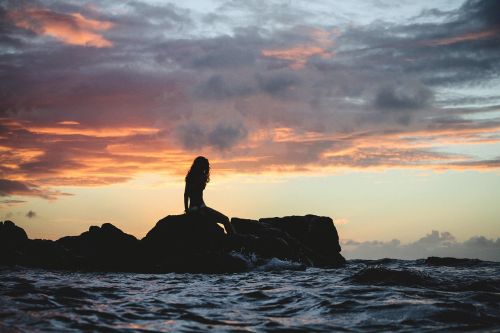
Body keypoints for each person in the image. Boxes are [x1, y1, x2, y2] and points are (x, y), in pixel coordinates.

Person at [184, 156, 235, 235]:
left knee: (223, 221)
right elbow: (187, 194)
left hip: (193, 208)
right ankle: (234, 240)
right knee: (225, 219)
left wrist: (187, 209)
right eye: (205, 166)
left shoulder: (190, 177)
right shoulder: (201, 177)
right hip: (200, 208)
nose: (206, 168)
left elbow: (186, 194)